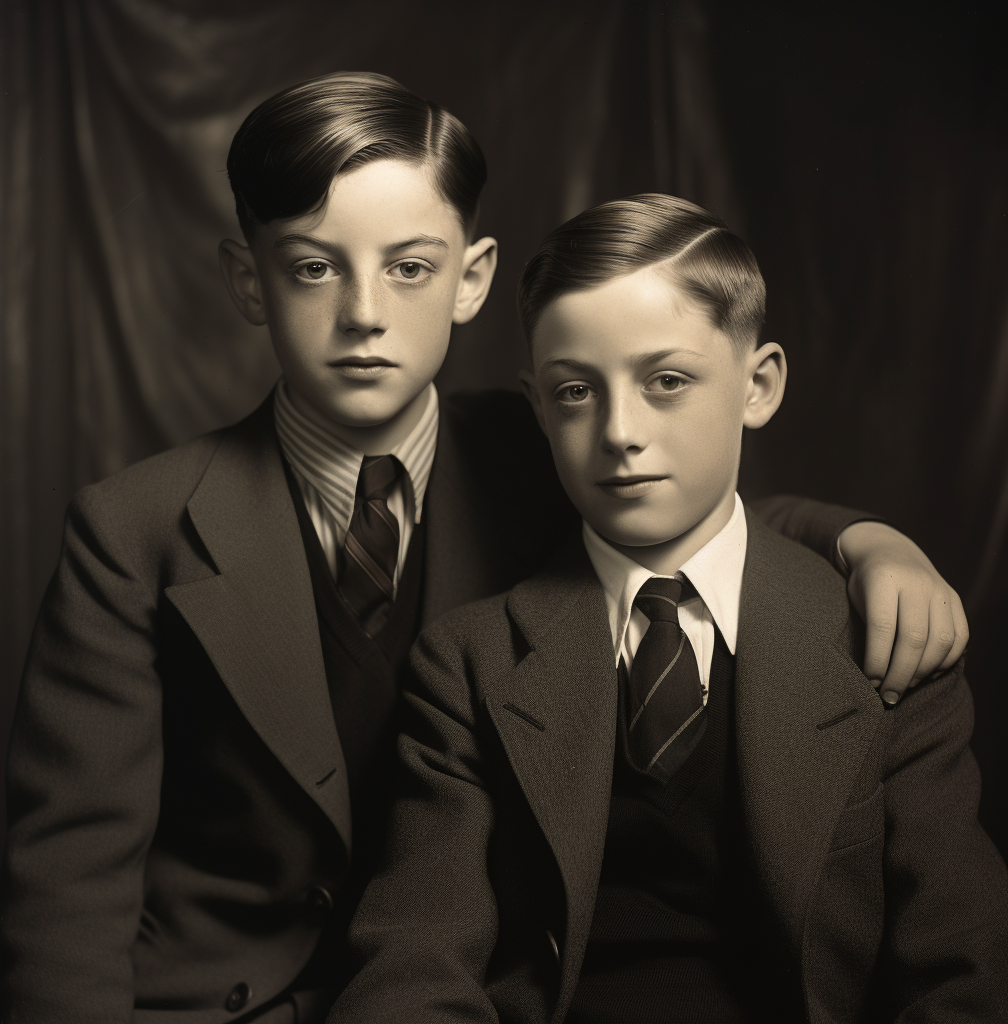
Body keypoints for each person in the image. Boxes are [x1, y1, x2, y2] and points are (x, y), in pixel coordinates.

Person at [0, 75, 969, 1024]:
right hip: (226, 999)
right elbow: (69, 876)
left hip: (475, 975)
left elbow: (698, 509)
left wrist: (865, 541)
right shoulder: (135, 526)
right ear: (249, 281)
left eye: (409, 267)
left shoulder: (547, 442)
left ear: (471, 280)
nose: (363, 313)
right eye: (311, 266)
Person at [326, 194, 1007, 1023]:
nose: (619, 431)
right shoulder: (467, 661)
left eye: (668, 381)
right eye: (575, 391)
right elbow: (413, 960)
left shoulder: (886, 637)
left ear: (758, 386)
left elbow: (961, 968)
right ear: (537, 406)